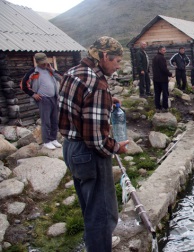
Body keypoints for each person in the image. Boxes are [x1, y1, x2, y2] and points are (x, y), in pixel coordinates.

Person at [58, 36, 130, 252]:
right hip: (90, 155)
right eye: (116, 61)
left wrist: (108, 99)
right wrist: (117, 147)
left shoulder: (73, 72)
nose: (117, 67)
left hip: (70, 148)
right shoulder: (96, 83)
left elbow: (77, 108)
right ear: (104, 56)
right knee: (102, 215)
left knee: (89, 209)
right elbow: (96, 141)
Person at [20, 52, 62, 150]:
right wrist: (33, 94)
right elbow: (23, 84)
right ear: (37, 62)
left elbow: (61, 77)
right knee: (46, 121)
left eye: (45, 62)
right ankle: (46, 141)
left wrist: (52, 69)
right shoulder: (34, 72)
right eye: (42, 63)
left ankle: (53, 139)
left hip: (54, 97)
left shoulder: (50, 70)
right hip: (43, 99)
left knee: (54, 120)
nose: (44, 64)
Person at [152, 45, 172, 112]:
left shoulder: (154, 57)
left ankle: (157, 107)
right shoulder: (161, 58)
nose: (165, 51)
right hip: (163, 79)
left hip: (155, 79)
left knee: (157, 93)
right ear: (159, 50)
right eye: (163, 50)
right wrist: (170, 74)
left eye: (165, 50)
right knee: (165, 93)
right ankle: (165, 107)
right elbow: (163, 69)